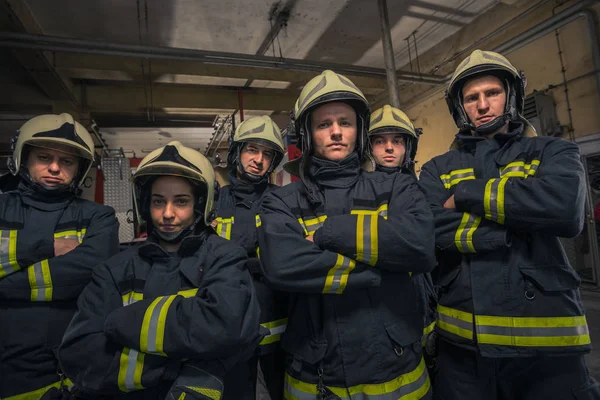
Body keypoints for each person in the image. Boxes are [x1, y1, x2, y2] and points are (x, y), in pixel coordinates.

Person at [418, 49, 600, 399]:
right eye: (472, 98)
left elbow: (564, 211)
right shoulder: (437, 168)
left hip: (548, 351)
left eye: (492, 94)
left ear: (511, 96)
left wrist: (468, 194)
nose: (482, 105)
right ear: (460, 107)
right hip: (462, 353)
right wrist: (515, 225)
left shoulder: (552, 151)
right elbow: (429, 228)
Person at [257, 69, 436, 399]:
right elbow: (280, 265)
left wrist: (329, 234)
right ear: (308, 134)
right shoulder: (280, 200)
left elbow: (421, 245)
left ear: (359, 130)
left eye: (346, 122)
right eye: (324, 124)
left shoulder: (396, 186)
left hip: (398, 371)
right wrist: (382, 266)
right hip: (316, 376)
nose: (336, 132)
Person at [58, 141, 264, 399]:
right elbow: (80, 355)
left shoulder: (226, 256)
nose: (168, 213)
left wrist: (121, 323)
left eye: (181, 201)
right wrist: (178, 367)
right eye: (158, 201)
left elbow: (225, 326)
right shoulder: (114, 270)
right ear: (146, 205)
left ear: (201, 205)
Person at [0, 113, 120, 399]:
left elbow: (88, 272)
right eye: (44, 157)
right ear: (24, 158)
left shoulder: (98, 217)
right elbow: (63, 274)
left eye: (66, 161)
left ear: (79, 169)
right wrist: (46, 247)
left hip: (60, 365)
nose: (54, 167)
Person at [213, 115, 288, 400]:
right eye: (252, 150)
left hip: (280, 324)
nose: (259, 159)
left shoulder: (284, 199)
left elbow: (289, 258)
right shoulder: (216, 201)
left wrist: (236, 257)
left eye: (267, 154)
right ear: (237, 153)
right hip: (229, 327)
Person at [368, 105, 437, 356]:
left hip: (422, 292)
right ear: (368, 147)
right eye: (380, 141)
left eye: (397, 141)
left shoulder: (423, 189)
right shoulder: (357, 192)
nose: (389, 148)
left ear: (408, 147)